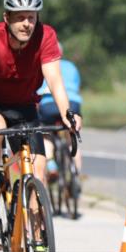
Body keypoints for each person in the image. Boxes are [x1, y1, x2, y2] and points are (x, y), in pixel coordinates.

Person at [0, 0, 82, 231]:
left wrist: (67, 113)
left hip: (24, 105)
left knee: (38, 172)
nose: (27, 24)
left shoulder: (46, 36)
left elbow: (54, 81)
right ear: (6, 18)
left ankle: (39, 244)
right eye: (20, 17)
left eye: (31, 17)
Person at [36, 43, 83, 176]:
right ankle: (76, 173)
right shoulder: (71, 66)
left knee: (46, 134)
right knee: (71, 134)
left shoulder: (42, 66)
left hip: (48, 104)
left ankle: (51, 165)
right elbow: (77, 88)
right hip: (72, 103)